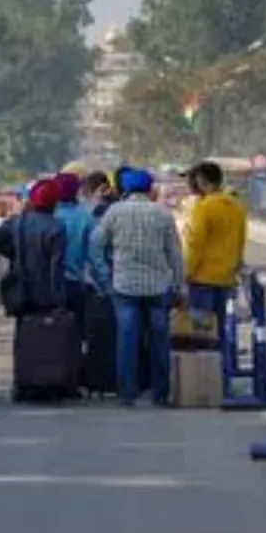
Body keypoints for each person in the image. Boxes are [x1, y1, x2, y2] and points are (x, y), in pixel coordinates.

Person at [89, 169, 184, 407]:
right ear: (150, 189)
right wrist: (178, 285)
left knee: (127, 339)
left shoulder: (114, 212)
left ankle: (127, 392)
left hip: (124, 286)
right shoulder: (163, 213)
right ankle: (160, 393)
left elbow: (95, 246)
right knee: (159, 340)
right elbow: (175, 253)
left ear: (125, 190)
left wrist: (105, 277)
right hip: (157, 286)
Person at [184, 160, 248, 342]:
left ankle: (209, 360)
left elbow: (195, 244)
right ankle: (224, 359)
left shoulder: (204, 208)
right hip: (226, 278)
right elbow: (241, 241)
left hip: (202, 279)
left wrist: (187, 273)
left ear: (202, 181)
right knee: (223, 331)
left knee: (203, 334)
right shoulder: (237, 206)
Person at [0, 179, 67, 317]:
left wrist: (13, 254)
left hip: (21, 290)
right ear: (54, 202)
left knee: (24, 326)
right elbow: (56, 267)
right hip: (45, 294)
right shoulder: (56, 227)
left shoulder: (18, 222)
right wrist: (59, 301)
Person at [53, 172, 96, 338]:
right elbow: (93, 253)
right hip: (76, 281)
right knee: (78, 330)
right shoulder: (86, 216)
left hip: (50, 283)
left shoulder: (50, 215)